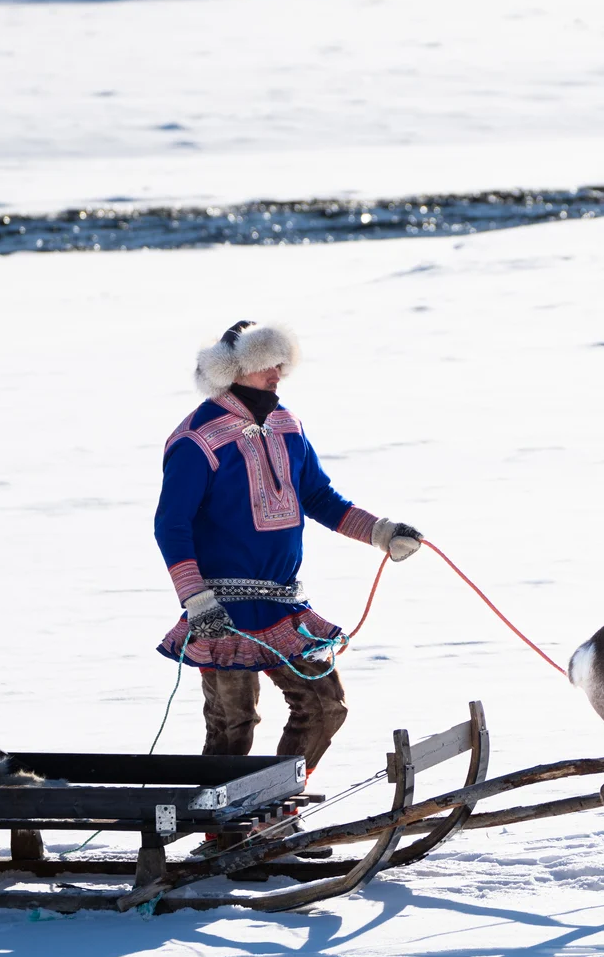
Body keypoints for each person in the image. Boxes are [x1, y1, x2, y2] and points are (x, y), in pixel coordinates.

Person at [154, 320, 423, 777]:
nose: (275, 373)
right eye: (263, 365)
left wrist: (381, 532)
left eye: (279, 362)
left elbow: (318, 497)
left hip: (283, 603)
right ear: (231, 370)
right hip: (219, 609)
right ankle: (225, 836)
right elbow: (170, 524)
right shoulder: (197, 438)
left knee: (324, 707)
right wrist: (196, 599)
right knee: (233, 724)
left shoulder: (287, 425)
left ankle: (275, 813)